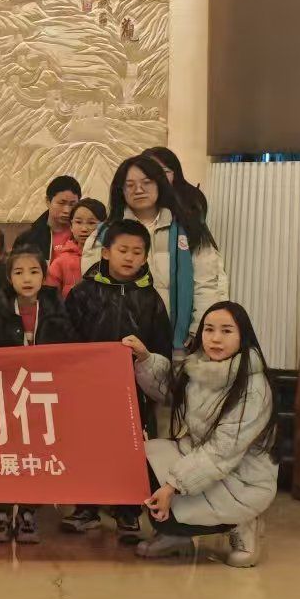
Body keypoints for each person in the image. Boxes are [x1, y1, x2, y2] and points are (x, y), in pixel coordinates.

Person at [127, 302, 275, 567]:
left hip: (241, 479)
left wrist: (172, 486)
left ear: (243, 336)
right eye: (209, 329)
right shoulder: (198, 366)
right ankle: (175, 535)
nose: (216, 338)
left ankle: (243, 523)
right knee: (140, 458)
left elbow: (221, 452)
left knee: (169, 487)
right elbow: (169, 390)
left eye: (226, 331)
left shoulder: (254, 388)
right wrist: (145, 358)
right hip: (201, 457)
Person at [63, 219, 171, 539]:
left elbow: (160, 350)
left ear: (145, 257)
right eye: (123, 250)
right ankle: (86, 507)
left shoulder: (151, 300)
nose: (129, 257)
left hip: (132, 391)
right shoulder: (83, 293)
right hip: (88, 387)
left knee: (130, 449)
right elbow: (66, 337)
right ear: (106, 252)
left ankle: (128, 510)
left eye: (137, 252)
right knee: (87, 445)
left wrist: (146, 360)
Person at [0, 245, 76, 544]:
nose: (27, 278)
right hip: (6, 393)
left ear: (44, 276)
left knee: (35, 454)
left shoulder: (56, 308)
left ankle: (29, 513)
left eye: (34, 272)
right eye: (19, 272)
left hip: (43, 394)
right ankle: (1, 511)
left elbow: (70, 347)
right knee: (3, 451)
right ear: (9, 278)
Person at [83, 154, 227, 354]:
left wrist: (197, 331)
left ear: (160, 184)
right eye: (130, 185)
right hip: (118, 343)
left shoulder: (189, 229)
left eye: (146, 182)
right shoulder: (103, 235)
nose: (138, 189)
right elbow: (90, 291)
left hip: (180, 341)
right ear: (120, 190)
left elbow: (207, 286)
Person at [49, 198, 107, 298]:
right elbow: (49, 299)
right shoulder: (60, 262)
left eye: (91, 223)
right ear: (71, 226)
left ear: (104, 226)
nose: (84, 229)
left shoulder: (110, 259)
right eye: (78, 222)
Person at [145, 145, 208, 221]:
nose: (158, 176)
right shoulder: (140, 197)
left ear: (175, 173)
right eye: (151, 171)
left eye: (165, 171)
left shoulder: (192, 197)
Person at [22, 175, 82, 254]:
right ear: (48, 201)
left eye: (72, 204)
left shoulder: (84, 235)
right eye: (61, 203)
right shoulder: (29, 239)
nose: (67, 210)